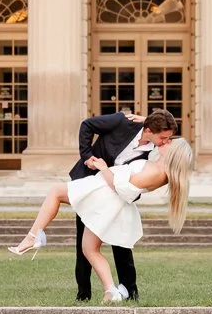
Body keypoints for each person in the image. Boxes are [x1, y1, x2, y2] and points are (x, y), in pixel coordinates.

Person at [7, 135, 193, 304]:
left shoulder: (157, 173)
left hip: (105, 195)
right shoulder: (157, 166)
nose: (164, 141)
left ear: (174, 154)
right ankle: (111, 291)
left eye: (169, 142)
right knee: (89, 248)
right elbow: (152, 135)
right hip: (104, 194)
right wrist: (146, 121)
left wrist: (103, 167)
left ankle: (33, 236)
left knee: (55, 192)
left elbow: (122, 187)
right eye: (166, 138)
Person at [76, 110, 178, 302]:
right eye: (163, 138)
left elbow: (180, 146)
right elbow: (87, 125)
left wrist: (147, 119)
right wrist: (87, 156)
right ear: (148, 130)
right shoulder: (122, 122)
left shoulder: (156, 148)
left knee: (121, 243)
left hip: (119, 195)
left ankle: (130, 291)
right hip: (92, 184)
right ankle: (83, 294)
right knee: (83, 242)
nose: (166, 142)